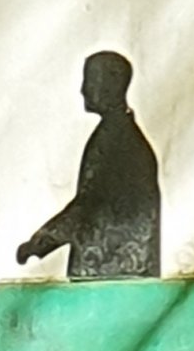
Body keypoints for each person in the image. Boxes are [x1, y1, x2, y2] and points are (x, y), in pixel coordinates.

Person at [16, 50, 162, 280]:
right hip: (126, 273)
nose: (83, 90)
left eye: (89, 81)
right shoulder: (124, 136)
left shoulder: (113, 140)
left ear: (108, 86)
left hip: (109, 275)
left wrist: (41, 242)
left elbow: (87, 205)